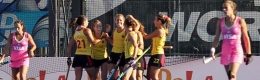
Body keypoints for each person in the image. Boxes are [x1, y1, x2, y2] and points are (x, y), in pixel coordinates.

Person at [211, 0, 252, 80]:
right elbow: (217, 37)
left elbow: (246, 38)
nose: (224, 10)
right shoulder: (220, 22)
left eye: (226, 8)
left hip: (236, 50)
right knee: (230, 77)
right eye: (223, 8)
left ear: (233, 8)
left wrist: (248, 54)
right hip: (225, 51)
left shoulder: (240, 21)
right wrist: (213, 49)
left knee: (231, 74)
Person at [67, 15, 101, 80]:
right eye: (87, 21)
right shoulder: (87, 30)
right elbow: (93, 43)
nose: (88, 22)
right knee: (94, 77)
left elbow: (69, 46)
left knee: (78, 78)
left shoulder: (76, 33)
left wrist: (69, 58)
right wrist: (101, 39)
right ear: (83, 22)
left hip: (77, 57)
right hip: (86, 56)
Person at [143, 14, 171, 80]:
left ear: (159, 21)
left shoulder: (159, 31)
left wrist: (139, 29)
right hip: (154, 54)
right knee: (149, 77)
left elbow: (146, 37)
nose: (154, 21)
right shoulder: (160, 30)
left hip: (158, 55)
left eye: (155, 20)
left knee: (154, 77)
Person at [126, 15, 146, 80]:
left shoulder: (138, 33)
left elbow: (141, 46)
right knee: (132, 76)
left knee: (139, 76)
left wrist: (138, 45)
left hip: (138, 55)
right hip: (133, 55)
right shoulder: (129, 33)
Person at [107, 14, 126, 80]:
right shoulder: (114, 31)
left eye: (120, 20)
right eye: (117, 20)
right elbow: (113, 43)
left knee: (122, 77)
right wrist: (108, 36)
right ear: (115, 21)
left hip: (122, 55)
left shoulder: (126, 31)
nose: (119, 21)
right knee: (111, 76)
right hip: (113, 54)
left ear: (123, 21)